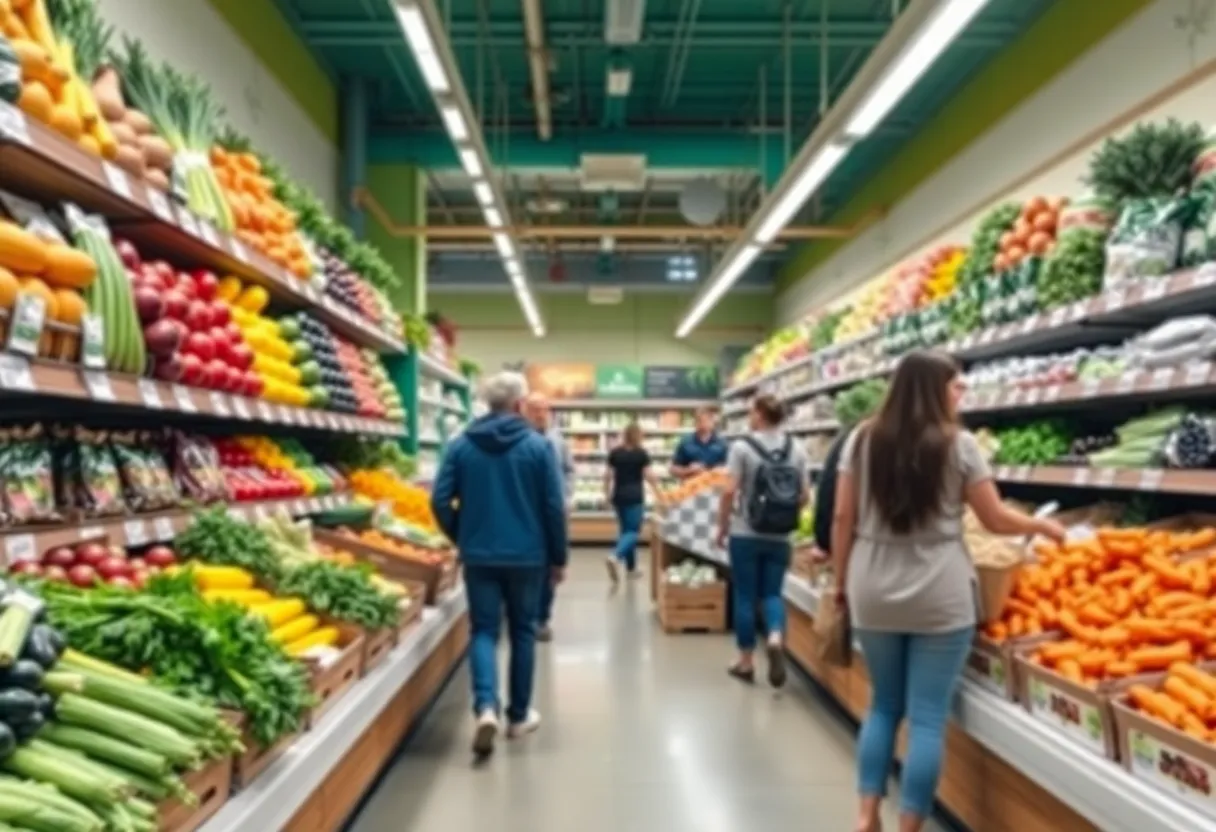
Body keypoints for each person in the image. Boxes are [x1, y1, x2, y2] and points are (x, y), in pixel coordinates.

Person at [832, 350, 1065, 832]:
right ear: (935, 389)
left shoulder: (861, 440)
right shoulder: (960, 445)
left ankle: (865, 814)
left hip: (873, 583)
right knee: (927, 717)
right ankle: (910, 827)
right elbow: (994, 519)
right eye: (955, 386)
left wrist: (840, 583)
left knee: (882, 706)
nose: (960, 394)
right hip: (940, 589)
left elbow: (840, 518)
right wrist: (1042, 526)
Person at [430, 372, 568, 758]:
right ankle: (518, 716)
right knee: (523, 631)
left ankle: (485, 707)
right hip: (529, 556)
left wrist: (463, 536)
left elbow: (439, 501)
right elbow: (553, 508)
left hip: (480, 555)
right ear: (520, 404)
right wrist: (558, 557)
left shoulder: (460, 446)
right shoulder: (539, 447)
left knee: (484, 631)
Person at [715, 394, 809, 687]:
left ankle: (745, 662)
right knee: (772, 593)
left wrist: (722, 526)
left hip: (745, 532)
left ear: (759, 415)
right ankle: (776, 636)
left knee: (745, 595)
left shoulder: (742, 447)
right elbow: (804, 496)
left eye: (751, 412)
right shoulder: (798, 448)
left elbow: (729, 491)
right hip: (780, 537)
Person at [522, 392, 573, 642]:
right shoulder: (521, 440)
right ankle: (527, 616)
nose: (540, 414)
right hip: (527, 511)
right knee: (531, 565)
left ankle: (542, 617)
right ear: (525, 411)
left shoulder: (557, 440)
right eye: (535, 409)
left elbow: (568, 469)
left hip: (555, 511)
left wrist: (567, 496)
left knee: (553, 566)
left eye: (544, 409)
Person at [603, 422, 662, 584]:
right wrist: (659, 492)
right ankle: (615, 556)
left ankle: (631, 568)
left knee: (625, 531)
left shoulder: (615, 453)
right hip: (635, 497)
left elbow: (607, 475)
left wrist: (606, 494)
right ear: (638, 436)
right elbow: (649, 476)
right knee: (633, 532)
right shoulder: (641, 454)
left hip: (619, 496)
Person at [671, 406, 728, 479]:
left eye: (706, 420)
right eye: (700, 421)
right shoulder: (685, 442)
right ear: (695, 422)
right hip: (691, 487)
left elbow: (730, 469)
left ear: (713, 422)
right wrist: (688, 470)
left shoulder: (722, 444)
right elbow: (673, 469)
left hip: (715, 487)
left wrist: (717, 471)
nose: (703, 424)